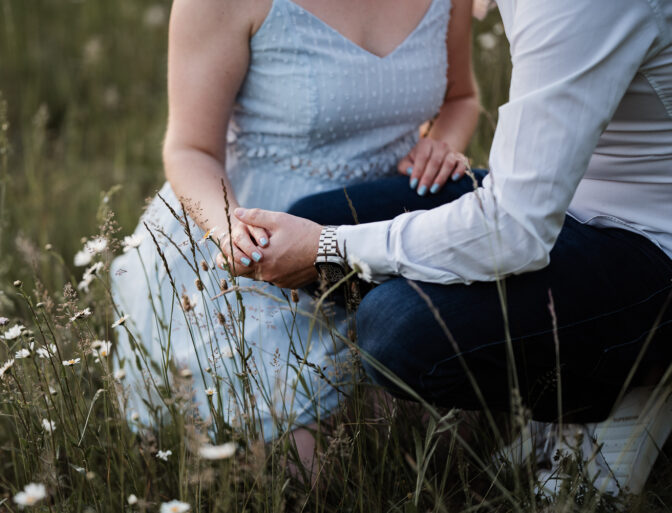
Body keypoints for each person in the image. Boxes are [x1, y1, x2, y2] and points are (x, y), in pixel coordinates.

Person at [228, 0, 672, 495]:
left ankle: (626, 385)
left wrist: (329, 247)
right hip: (560, 201)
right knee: (321, 216)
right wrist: (329, 241)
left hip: (646, 240)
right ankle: (570, 381)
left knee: (396, 325)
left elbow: (513, 229)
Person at [110, 0, 479, 457]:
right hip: (260, 240)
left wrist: (440, 145)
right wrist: (233, 235)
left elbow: (461, 98)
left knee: (445, 437)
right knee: (306, 469)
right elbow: (190, 148)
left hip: (387, 229)